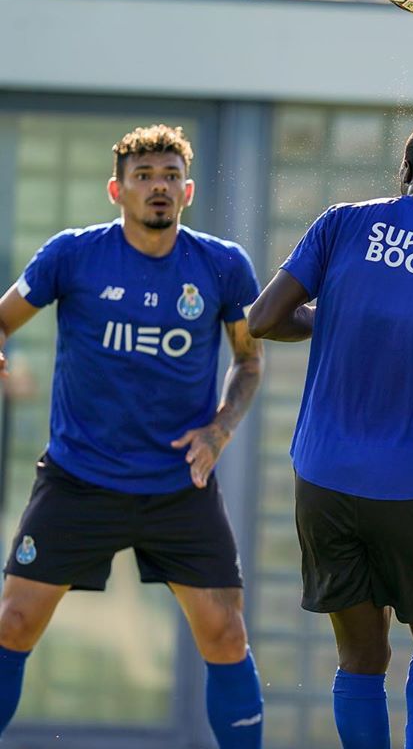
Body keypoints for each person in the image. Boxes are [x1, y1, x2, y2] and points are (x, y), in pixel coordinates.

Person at [247, 119, 413, 749]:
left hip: (321, 479)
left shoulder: (342, 222)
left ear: (405, 170)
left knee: (361, 656)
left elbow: (264, 318)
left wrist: (330, 317)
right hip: (412, 484)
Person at [0, 125, 265, 747]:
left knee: (226, 633)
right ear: (117, 190)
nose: (159, 188)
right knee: (12, 623)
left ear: (188, 190)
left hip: (180, 484)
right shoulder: (72, 255)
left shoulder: (222, 265)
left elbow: (249, 361)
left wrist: (220, 429)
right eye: (145, 176)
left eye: (171, 176)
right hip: (78, 480)